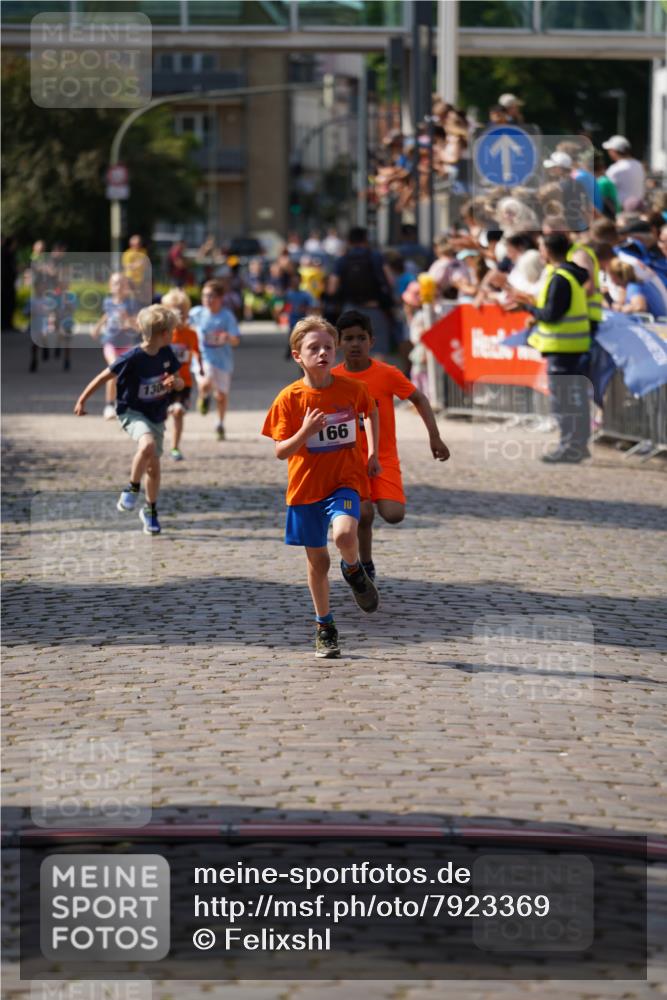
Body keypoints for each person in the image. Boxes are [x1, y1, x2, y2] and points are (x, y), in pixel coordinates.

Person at [261, 315, 380, 659]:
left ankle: (355, 569)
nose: (324, 353)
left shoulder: (352, 389)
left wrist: (372, 450)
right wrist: (305, 433)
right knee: (318, 564)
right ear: (298, 356)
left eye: (329, 346)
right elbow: (280, 450)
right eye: (314, 348)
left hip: (344, 482)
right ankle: (324, 626)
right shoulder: (289, 398)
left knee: (344, 536)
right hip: (305, 490)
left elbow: (370, 410)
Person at [332, 310, 450, 582]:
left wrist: (434, 436)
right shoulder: (334, 378)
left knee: (394, 514)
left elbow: (419, 399)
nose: (355, 344)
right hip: (349, 461)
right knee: (363, 514)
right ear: (339, 343)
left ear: (371, 341)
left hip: (384, 458)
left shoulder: (387, 374)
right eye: (348, 338)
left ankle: (364, 559)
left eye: (361, 338)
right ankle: (364, 563)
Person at [74, 305, 183, 535]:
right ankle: (132, 488)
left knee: (153, 467)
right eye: (172, 331)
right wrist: (83, 399)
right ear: (163, 333)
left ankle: (151, 511)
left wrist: (175, 383)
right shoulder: (132, 357)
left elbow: (179, 380)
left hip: (156, 414)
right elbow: (104, 376)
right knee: (147, 445)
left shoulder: (167, 354)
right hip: (131, 412)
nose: (173, 334)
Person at [507, 232, 592, 463]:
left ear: (547, 251)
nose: (540, 252)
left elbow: (552, 314)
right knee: (575, 399)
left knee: (563, 400)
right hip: (572, 346)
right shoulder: (570, 274)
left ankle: (569, 446)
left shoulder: (560, 277)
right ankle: (577, 446)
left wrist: (527, 309)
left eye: (542, 248)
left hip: (562, 347)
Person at [328, 227, 396, 360]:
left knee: (350, 346)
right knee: (378, 347)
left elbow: (332, 288)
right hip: (375, 308)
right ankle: (374, 379)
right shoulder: (377, 256)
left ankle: (353, 378)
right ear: (366, 240)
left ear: (349, 241)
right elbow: (390, 281)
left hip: (350, 308)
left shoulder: (342, 260)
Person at [189, 279, 241, 441]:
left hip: (223, 361)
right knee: (205, 382)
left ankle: (220, 423)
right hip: (202, 357)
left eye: (211, 296)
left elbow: (236, 340)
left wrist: (227, 337)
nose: (207, 300)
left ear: (220, 298)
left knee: (221, 396)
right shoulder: (196, 313)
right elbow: (184, 327)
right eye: (205, 296)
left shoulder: (226, 316)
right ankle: (204, 395)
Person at [160, 288, 204, 461]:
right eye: (174, 310)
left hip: (184, 382)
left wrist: (200, 367)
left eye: (182, 310)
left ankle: (175, 448)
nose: (179, 314)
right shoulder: (164, 335)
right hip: (163, 382)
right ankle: (155, 443)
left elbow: (197, 351)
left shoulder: (191, 334)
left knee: (178, 412)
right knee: (161, 415)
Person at [92, 272, 140, 419]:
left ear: (127, 287)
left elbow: (137, 327)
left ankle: (123, 403)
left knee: (126, 374)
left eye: (122, 283)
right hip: (110, 342)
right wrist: (98, 327)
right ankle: (108, 406)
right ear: (110, 287)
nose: (118, 287)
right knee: (114, 368)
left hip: (126, 344)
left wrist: (127, 319)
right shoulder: (108, 302)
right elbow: (107, 315)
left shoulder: (131, 304)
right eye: (115, 283)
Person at [602, 135, 645, 206]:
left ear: (613, 151)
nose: (608, 152)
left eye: (609, 150)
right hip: (638, 207)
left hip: (621, 210)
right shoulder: (639, 165)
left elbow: (604, 188)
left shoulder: (615, 169)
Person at [121, 234, 150, 298]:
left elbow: (146, 264)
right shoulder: (127, 253)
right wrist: (138, 264)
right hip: (130, 279)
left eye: (139, 243)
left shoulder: (143, 251)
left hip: (142, 279)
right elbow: (126, 266)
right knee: (132, 296)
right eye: (137, 243)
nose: (138, 245)